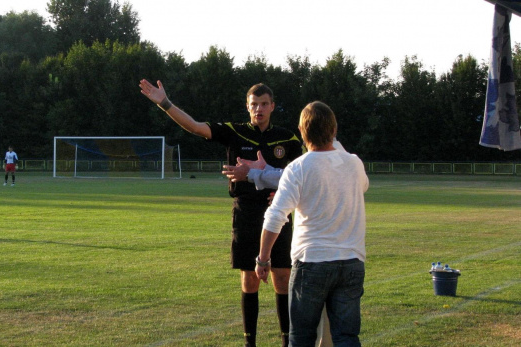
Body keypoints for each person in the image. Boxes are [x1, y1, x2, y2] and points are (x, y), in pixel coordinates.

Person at [139, 79, 302, 347]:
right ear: (247, 107)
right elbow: (195, 126)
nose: (258, 109)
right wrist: (165, 103)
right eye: (253, 105)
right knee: (249, 277)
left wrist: (283, 191)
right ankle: (251, 342)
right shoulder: (234, 132)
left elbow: (300, 174)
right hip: (246, 213)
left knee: (282, 276)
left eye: (263, 104)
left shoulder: (287, 138)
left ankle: (287, 341)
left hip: (279, 213)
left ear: (272, 106)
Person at [255, 101, 369, 346]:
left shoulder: (298, 168)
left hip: (312, 262)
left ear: (301, 131)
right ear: (334, 130)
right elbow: (363, 185)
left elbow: (275, 216)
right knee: (347, 337)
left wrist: (263, 259)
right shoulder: (353, 163)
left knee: (302, 337)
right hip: (351, 260)